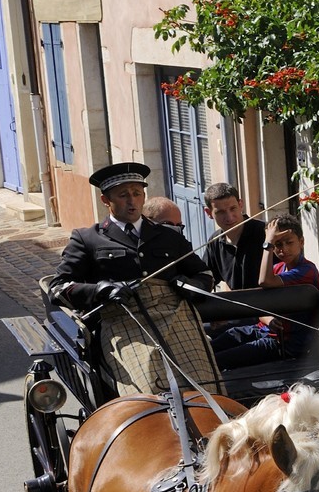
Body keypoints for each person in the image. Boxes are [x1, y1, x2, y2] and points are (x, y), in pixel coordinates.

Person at [51, 162, 219, 395]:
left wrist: (191, 285)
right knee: (150, 393)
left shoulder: (169, 235)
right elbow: (58, 288)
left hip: (176, 318)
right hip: (123, 323)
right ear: (105, 201)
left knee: (205, 385)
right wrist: (101, 290)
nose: (132, 201)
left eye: (137, 193)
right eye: (123, 195)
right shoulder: (87, 238)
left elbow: (204, 273)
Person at [210, 214, 319, 369]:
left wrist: (268, 243)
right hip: (263, 330)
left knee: (218, 361)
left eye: (289, 242)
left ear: (301, 242)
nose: (284, 249)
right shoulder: (278, 268)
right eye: (278, 244)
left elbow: (264, 281)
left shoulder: (306, 271)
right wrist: (269, 320)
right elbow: (262, 308)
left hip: (283, 343)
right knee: (210, 348)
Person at [202, 181, 266, 291]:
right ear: (208, 212)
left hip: (271, 304)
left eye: (233, 208)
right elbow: (206, 279)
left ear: (241, 205)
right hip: (237, 306)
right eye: (221, 212)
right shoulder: (214, 242)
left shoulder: (266, 232)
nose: (229, 217)